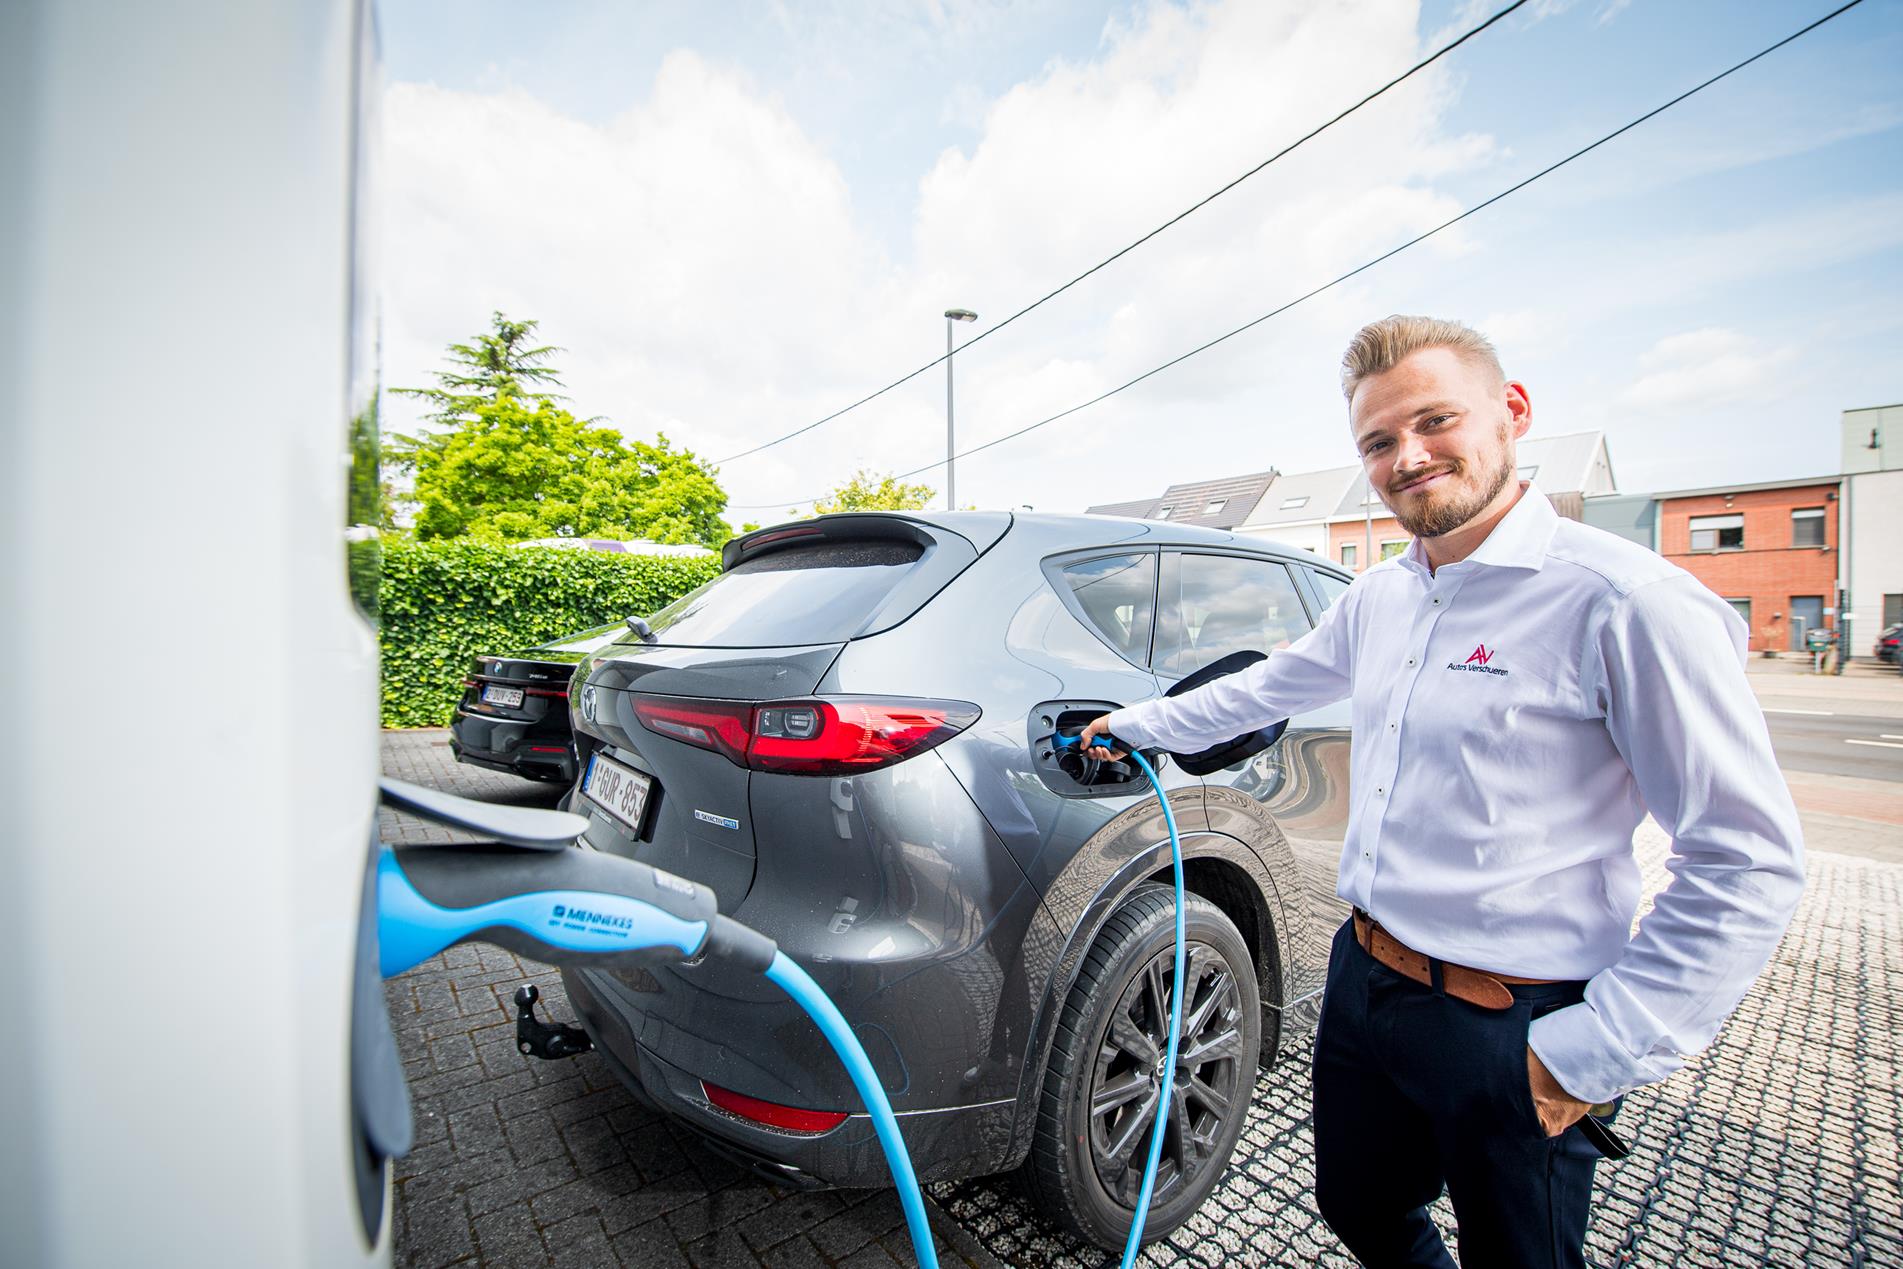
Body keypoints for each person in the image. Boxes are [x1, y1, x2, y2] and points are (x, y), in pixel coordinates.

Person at [1078, 315, 1804, 1269]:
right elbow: (1265, 688)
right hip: (1365, 979)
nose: (1406, 458)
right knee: (1357, 1206)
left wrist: (1593, 1051)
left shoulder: (1625, 603)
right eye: (1377, 442)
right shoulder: (1382, 596)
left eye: (1432, 422)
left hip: (1516, 1019)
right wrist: (1130, 726)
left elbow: (1744, 858)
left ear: (1511, 412)